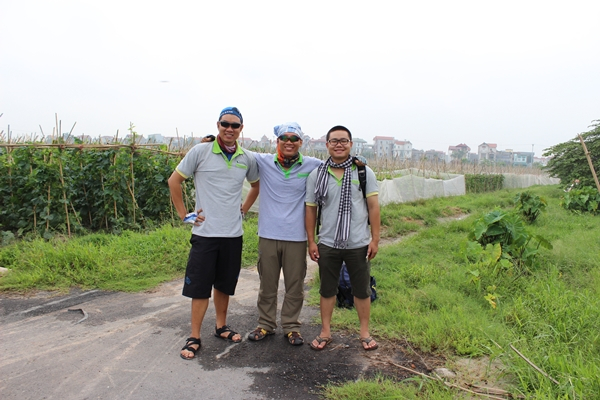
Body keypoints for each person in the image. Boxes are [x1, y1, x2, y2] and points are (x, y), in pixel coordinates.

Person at [168, 106, 259, 360]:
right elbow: (174, 181)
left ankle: (221, 326)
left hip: (233, 233)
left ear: (241, 129)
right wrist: (184, 214)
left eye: (235, 125)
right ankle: (194, 336)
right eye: (225, 124)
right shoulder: (201, 151)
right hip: (205, 233)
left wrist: (244, 209)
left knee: (224, 284)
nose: (229, 129)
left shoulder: (246, 158)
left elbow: (256, 185)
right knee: (199, 287)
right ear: (218, 125)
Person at [241, 123, 323, 346]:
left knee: (294, 285)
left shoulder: (312, 165)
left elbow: (337, 164)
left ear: (300, 143)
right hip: (268, 234)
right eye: (284, 138)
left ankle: (291, 326)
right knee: (267, 283)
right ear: (276, 141)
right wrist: (210, 143)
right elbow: (236, 149)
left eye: (294, 138)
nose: (289, 142)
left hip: (296, 237)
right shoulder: (264, 161)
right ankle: (265, 324)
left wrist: (357, 163)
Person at [305, 125, 381, 351]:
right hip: (328, 243)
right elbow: (311, 210)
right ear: (327, 144)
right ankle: (325, 331)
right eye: (334, 140)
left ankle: (365, 332)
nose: (339, 144)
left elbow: (373, 207)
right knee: (327, 289)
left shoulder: (364, 173)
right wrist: (311, 241)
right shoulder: (317, 174)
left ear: (351, 144)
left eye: (344, 140)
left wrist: (375, 239)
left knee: (362, 289)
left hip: (358, 243)